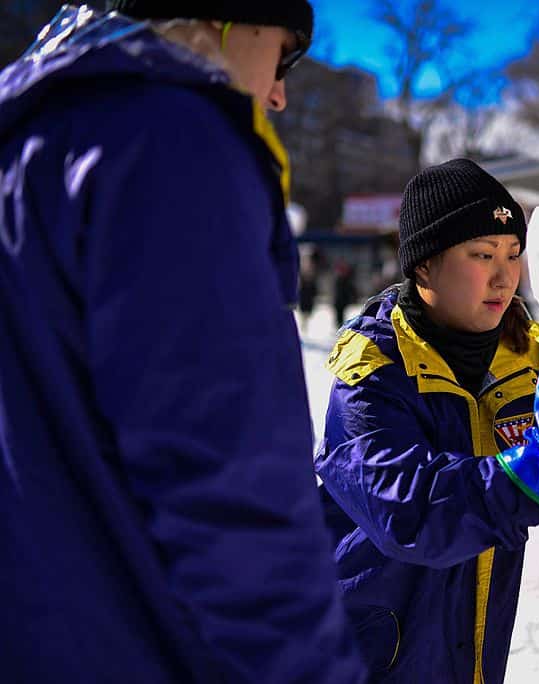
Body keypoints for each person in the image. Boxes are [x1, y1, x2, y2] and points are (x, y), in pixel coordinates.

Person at [0, 3, 365, 683]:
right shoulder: (170, 139)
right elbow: (231, 495)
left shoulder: (26, 143)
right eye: (282, 56)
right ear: (221, 20)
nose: (280, 92)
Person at [315, 159, 539, 682]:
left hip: (475, 651)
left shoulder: (528, 359)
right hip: (367, 654)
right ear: (424, 266)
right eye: (481, 254)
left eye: (513, 254)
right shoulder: (371, 375)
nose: (504, 275)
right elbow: (412, 514)